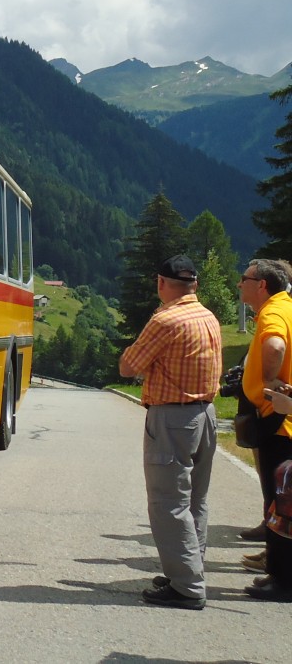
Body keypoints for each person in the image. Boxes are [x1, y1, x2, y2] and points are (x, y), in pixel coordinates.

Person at [119, 254, 222, 610]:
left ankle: (187, 586)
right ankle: (189, 569)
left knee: (168, 502)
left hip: (173, 418)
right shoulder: (208, 316)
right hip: (206, 415)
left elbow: (129, 365)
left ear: (161, 283)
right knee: (196, 499)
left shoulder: (164, 320)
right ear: (194, 284)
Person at [237, 258, 292, 601]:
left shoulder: (273, 311)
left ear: (261, 285)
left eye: (244, 279)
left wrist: (270, 381)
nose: (239, 283)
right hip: (283, 417)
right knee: (284, 499)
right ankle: (278, 571)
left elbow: (275, 346)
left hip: (276, 417)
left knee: (279, 502)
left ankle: (282, 579)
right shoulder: (285, 305)